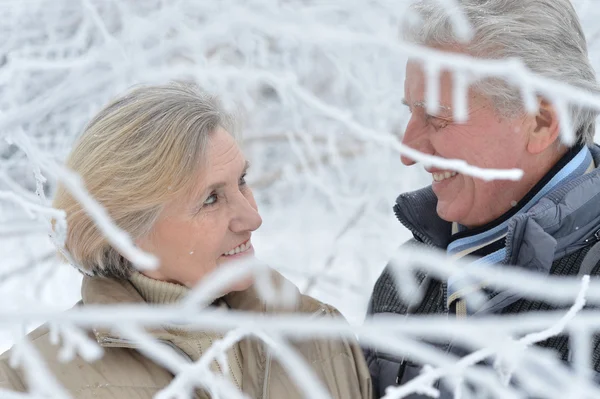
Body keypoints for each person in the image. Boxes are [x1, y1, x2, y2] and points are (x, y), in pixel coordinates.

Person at [0, 82, 372, 399]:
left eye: (242, 181)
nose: (252, 218)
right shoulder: (32, 381)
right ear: (126, 230)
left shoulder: (319, 336)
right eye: (211, 198)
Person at [365, 0, 600, 397]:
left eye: (438, 117)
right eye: (411, 112)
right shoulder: (407, 277)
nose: (408, 149)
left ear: (540, 121)